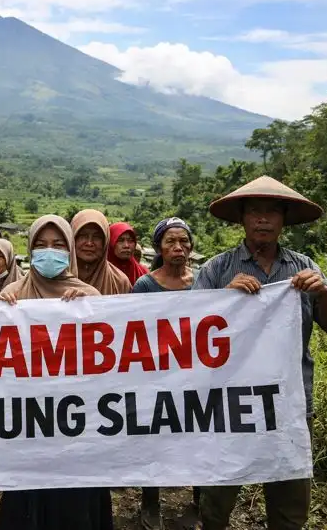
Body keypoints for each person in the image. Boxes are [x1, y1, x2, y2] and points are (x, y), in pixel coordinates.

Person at [193, 176, 327, 530]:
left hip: (289, 406)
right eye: (255, 211)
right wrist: (222, 302)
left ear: (284, 219)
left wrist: (321, 293)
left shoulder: (303, 267)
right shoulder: (217, 270)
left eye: (271, 211)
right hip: (229, 406)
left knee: (289, 509)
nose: (263, 219)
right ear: (243, 219)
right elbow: (189, 336)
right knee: (216, 505)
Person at [0, 215, 112, 530]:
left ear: (69, 250)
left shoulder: (89, 294)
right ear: (30, 250)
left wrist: (91, 311)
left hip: (77, 424)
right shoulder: (13, 294)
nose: (50, 252)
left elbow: (107, 363)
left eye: (58, 245)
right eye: (41, 245)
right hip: (28, 423)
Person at [131, 217, 199, 528]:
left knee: (200, 433)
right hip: (154, 374)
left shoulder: (201, 283)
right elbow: (131, 328)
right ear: (159, 246)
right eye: (170, 241)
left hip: (194, 372)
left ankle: (200, 498)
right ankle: (150, 501)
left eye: (183, 241)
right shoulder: (145, 285)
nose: (178, 247)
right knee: (155, 436)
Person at [71, 210, 132, 295]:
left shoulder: (119, 282)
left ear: (105, 242)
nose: (89, 243)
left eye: (97, 237)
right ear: (73, 238)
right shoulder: (56, 278)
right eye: (83, 235)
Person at [107, 222, 149, 287]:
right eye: (120, 240)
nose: (126, 246)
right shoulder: (100, 274)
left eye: (130, 240)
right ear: (110, 242)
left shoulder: (144, 273)